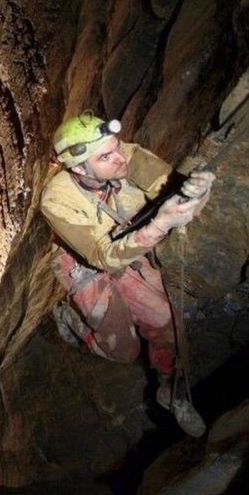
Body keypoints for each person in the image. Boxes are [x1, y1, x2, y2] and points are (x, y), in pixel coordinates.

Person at [40, 110, 215, 436]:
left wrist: (196, 194)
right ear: (79, 168)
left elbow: (176, 195)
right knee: (124, 351)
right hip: (84, 261)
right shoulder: (57, 199)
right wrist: (161, 223)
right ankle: (71, 318)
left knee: (166, 319)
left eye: (116, 146)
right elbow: (103, 257)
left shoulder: (130, 157)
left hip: (130, 246)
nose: (121, 158)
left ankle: (170, 388)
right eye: (106, 156)